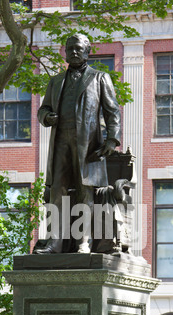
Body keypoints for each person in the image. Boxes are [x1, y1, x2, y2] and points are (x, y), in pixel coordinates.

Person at [37, 33, 121, 253]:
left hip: (89, 145)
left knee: (85, 192)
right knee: (58, 191)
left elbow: (112, 111)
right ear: (64, 52)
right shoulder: (55, 82)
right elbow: (43, 108)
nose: (74, 51)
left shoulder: (100, 77)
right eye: (70, 48)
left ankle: (84, 241)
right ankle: (54, 242)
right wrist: (46, 117)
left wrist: (112, 139)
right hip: (60, 143)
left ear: (88, 51)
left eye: (78, 48)